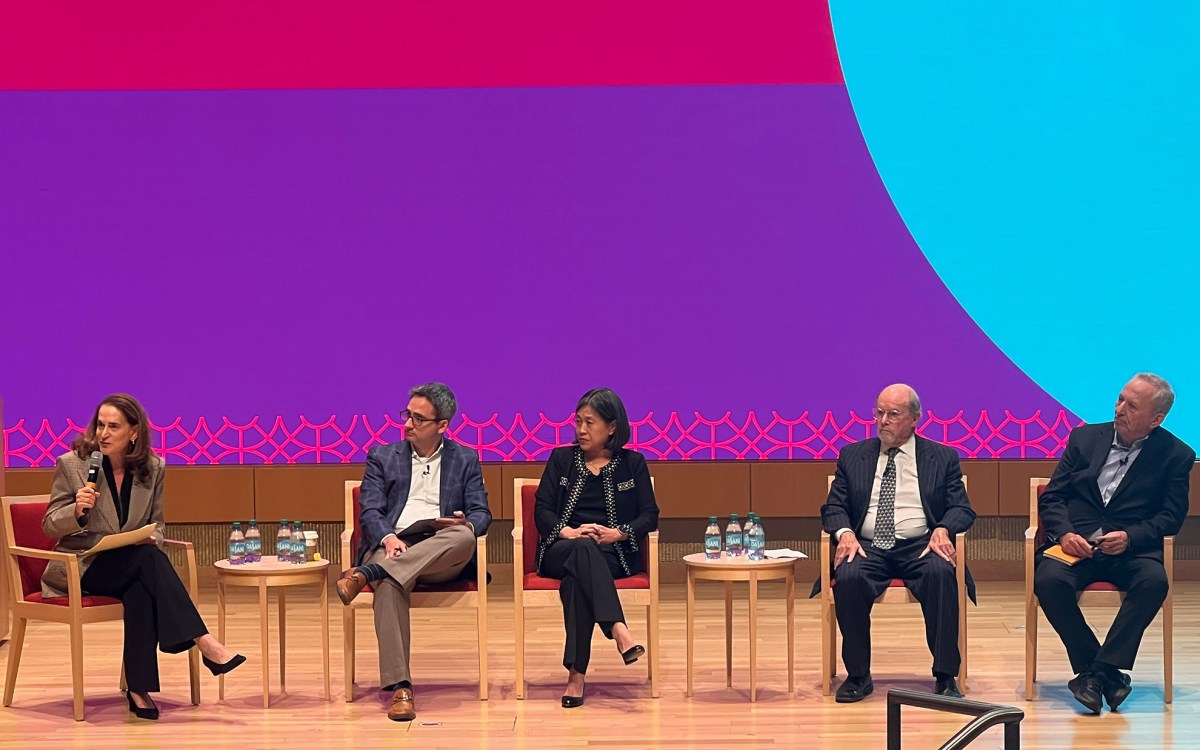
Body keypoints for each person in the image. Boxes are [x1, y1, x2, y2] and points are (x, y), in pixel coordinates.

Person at [41, 394, 245, 720]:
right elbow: (50, 526)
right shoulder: (72, 465)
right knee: (148, 563)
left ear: (133, 433)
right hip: (82, 565)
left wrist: (154, 537)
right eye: (100, 425)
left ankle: (139, 689)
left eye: (113, 426)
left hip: (129, 564)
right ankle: (205, 642)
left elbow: (159, 522)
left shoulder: (154, 468)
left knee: (142, 583)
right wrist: (75, 510)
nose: (103, 434)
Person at [1034, 373, 1193, 714]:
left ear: (1156, 419)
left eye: (1131, 406)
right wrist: (1064, 533)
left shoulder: (1176, 455)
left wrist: (1131, 537)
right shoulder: (1084, 438)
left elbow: (1171, 517)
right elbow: (1054, 497)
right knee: (1048, 581)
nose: (1119, 409)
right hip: (1076, 545)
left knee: (1154, 582)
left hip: (1130, 550)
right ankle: (1104, 672)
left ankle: (1099, 672)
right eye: (1120, 399)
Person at [336, 382, 491, 722]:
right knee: (390, 583)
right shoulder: (382, 455)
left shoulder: (465, 458)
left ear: (442, 426)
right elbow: (371, 512)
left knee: (464, 537)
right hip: (394, 545)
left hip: (441, 553)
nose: (407, 424)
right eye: (407, 415)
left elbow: (483, 514)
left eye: (418, 419)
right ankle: (400, 688)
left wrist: (465, 521)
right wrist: (389, 538)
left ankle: (369, 573)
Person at [817, 383, 976, 702]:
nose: (883, 420)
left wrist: (943, 528)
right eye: (879, 412)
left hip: (920, 545)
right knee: (848, 577)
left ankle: (945, 676)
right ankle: (859, 675)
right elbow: (834, 506)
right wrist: (844, 533)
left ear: (916, 418)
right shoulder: (853, 455)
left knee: (941, 575)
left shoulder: (942, 457)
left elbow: (961, 507)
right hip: (867, 545)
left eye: (893, 413)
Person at [534, 387, 659, 708]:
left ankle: (576, 675)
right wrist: (569, 532)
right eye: (578, 422)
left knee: (580, 575)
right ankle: (618, 628)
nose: (581, 430)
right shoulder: (561, 459)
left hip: (611, 553)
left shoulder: (633, 463)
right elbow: (542, 510)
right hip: (561, 548)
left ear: (612, 427)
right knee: (581, 550)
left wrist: (618, 533)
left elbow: (650, 515)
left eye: (590, 423)